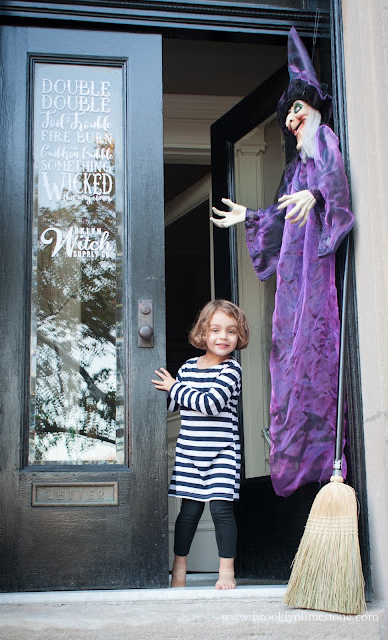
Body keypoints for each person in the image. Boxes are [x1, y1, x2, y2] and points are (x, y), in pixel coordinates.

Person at [210, 27, 354, 498]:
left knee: (316, 358)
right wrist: (250, 216)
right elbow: (281, 212)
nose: (291, 119)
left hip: (318, 281)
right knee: (289, 363)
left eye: (297, 108)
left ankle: (323, 459)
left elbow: (335, 194)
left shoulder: (325, 142)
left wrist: (317, 196)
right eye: (287, 112)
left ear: (314, 105)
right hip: (296, 282)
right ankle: (296, 462)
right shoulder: (294, 166)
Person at [152, 300, 249, 589]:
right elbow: (172, 404)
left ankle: (226, 572)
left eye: (231, 331)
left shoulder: (231, 370)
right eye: (216, 330)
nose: (223, 337)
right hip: (190, 454)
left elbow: (210, 404)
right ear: (203, 334)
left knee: (221, 510)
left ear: (238, 337)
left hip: (222, 454)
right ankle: (178, 570)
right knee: (188, 513)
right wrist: (168, 389)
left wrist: (175, 388)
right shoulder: (187, 368)